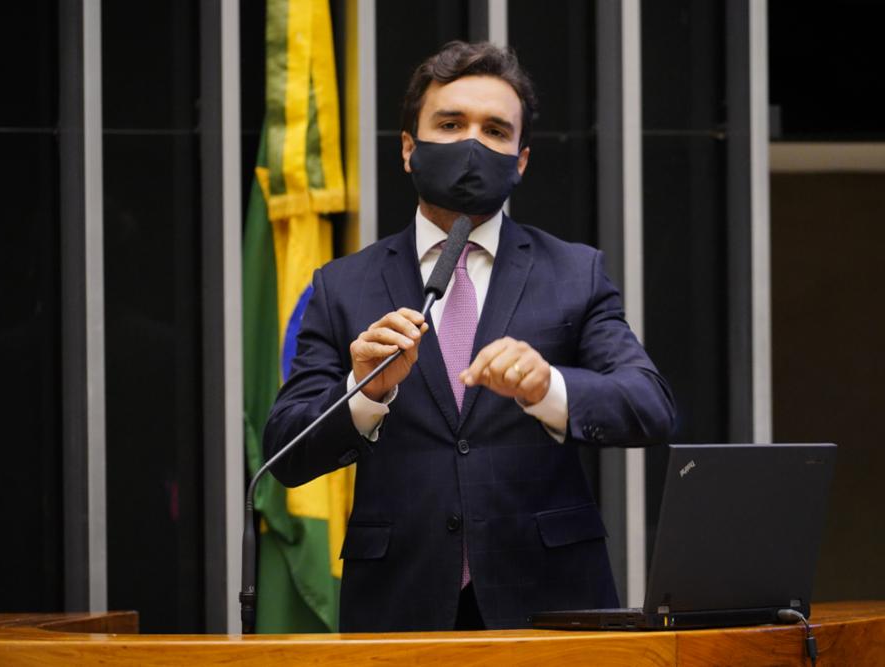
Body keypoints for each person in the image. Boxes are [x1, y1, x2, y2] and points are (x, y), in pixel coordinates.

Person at [263, 40, 676, 632]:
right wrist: (365, 392)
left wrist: (548, 388)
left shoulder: (573, 272)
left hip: (550, 602)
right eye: (451, 124)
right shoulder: (342, 286)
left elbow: (650, 406)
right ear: (409, 149)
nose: (472, 144)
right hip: (398, 605)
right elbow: (285, 448)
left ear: (521, 159)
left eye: (495, 129)